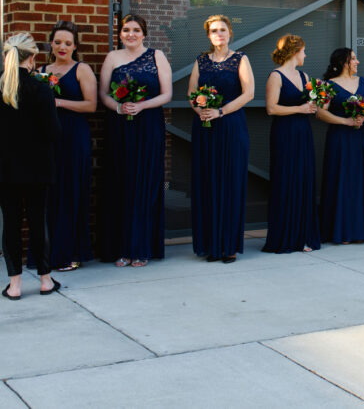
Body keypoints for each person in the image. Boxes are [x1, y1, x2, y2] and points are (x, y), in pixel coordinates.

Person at [99, 14, 172, 267]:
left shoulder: (156, 56)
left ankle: (141, 247)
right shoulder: (112, 58)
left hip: (149, 125)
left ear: (144, 33)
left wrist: (142, 106)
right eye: (126, 30)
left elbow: (167, 94)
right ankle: (122, 248)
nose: (131, 34)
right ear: (120, 34)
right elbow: (103, 93)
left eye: (136, 30)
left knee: (145, 182)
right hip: (120, 127)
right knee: (121, 182)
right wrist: (118, 108)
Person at [187, 15, 254, 263]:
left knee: (230, 183)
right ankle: (209, 245)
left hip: (231, 126)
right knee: (207, 183)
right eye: (214, 31)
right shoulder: (201, 61)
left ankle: (229, 245)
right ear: (208, 35)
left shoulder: (240, 59)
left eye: (223, 30)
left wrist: (221, 111)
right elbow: (192, 91)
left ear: (230, 33)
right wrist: (200, 109)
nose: (219, 34)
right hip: (205, 126)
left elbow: (249, 93)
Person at [0, 33, 62, 299]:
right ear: (33, 58)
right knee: (38, 222)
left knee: (11, 225)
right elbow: (53, 132)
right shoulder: (41, 89)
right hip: (38, 168)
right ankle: (45, 280)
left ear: (7, 56)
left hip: (5, 169)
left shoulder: (1, 89)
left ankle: (14, 285)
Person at [42, 21, 97, 271]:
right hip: (48, 139)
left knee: (72, 192)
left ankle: (71, 253)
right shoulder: (41, 70)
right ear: (51, 44)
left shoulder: (81, 69)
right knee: (49, 194)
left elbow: (91, 105)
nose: (62, 47)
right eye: (57, 42)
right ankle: (48, 253)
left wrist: (59, 103)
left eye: (67, 43)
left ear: (75, 46)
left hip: (75, 137)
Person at [262, 35, 321, 254]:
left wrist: (316, 103)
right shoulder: (275, 76)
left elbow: (309, 104)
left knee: (304, 179)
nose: (305, 55)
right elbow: (271, 108)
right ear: (295, 51)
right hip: (284, 134)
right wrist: (300, 109)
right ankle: (285, 237)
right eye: (304, 51)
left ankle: (303, 235)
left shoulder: (304, 75)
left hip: (303, 132)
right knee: (286, 180)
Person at [319, 47, 364, 244]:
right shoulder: (328, 85)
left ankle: (362, 230)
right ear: (343, 62)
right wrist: (345, 121)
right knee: (342, 181)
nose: (357, 62)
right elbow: (320, 112)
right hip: (340, 138)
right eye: (353, 59)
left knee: (361, 180)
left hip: (361, 136)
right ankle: (342, 231)